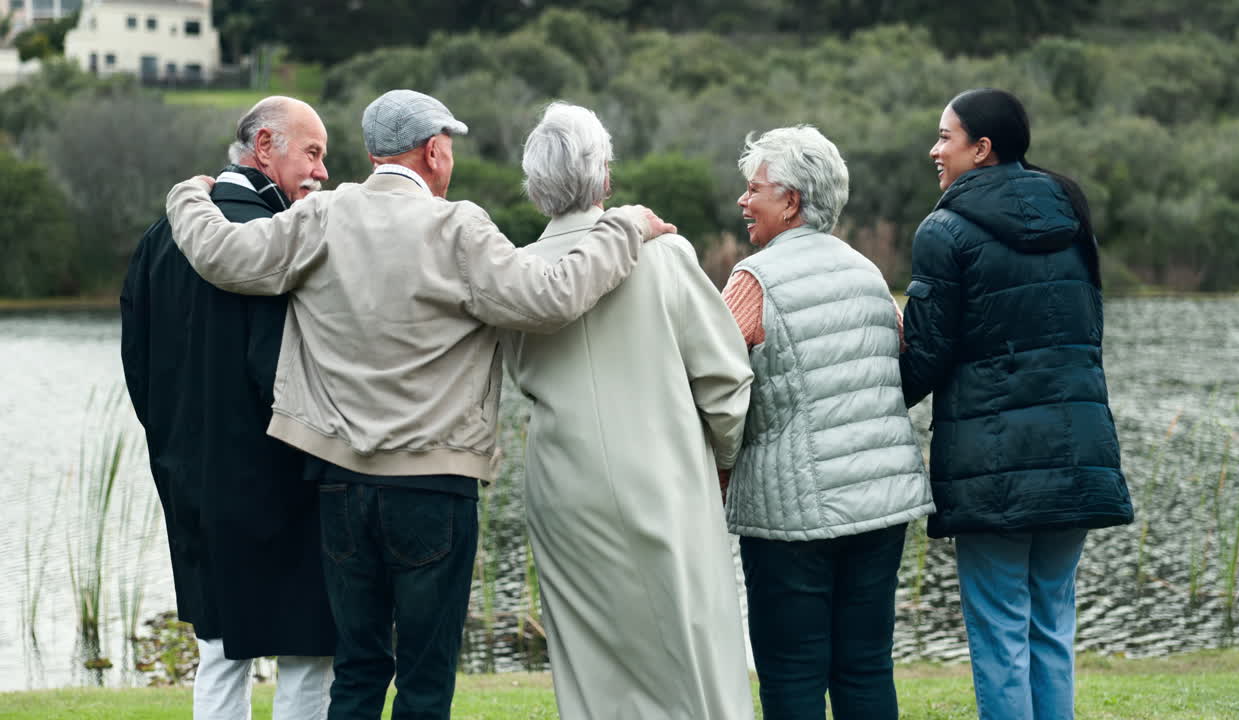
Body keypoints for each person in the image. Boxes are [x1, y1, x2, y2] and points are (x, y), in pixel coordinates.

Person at [163, 89, 676, 720]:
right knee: (426, 682)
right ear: (434, 151)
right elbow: (549, 298)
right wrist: (624, 227)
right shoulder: (458, 226)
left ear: (374, 153)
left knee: (356, 671)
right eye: (449, 147)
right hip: (434, 488)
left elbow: (223, 256)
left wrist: (188, 195)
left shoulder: (323, 215)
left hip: (340, 486)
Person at [501, 102, 755, 719]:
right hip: (666, 477)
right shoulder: (663, 255)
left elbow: (517, 372)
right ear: (604, 175)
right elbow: (725, 380)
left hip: (562, 484)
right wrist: (721, 463)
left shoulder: (516, 271)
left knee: (592, 670)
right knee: (694, 654)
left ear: (536, 187)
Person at [899, 88, 1134, 720]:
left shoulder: (944, 231)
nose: (934, 149)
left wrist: (869, 397)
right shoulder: (1072, 216)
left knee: (1001, 629)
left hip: (991, 463)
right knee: (1051, 621)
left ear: (981, 149)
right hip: (1077, 448)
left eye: (945, 137)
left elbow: (924, 354)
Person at [121, 95, 336, 720]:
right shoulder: (280, 239)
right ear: (264, 147)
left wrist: (171, 445)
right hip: (283, 479)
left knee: (219, 651)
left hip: (191, 480)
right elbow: (284, 372)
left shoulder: (160, 238)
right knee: (309, 650)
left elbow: (137, 363)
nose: (322, 171)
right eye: (313, 153)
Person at [719, 125, 934, 720]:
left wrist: (717, 470)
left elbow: (713, 388)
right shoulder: (869, 275)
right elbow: (894, 371)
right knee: (866, 668)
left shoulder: (753, 280)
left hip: (791, 516)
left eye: (754, 188)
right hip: (880, 504)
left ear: (790, 202)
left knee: (791, 675)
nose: (744, 200)